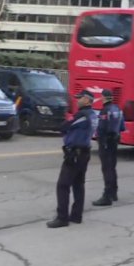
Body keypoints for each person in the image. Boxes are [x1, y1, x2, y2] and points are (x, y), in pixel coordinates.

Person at [47, 90, 97, 228]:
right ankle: (76, 215)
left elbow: (65, 126)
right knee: (78, 185)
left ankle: (62, 218)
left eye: (80, 98)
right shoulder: (93, 115)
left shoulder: (82, 115)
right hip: (84, 152)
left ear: (87, 100)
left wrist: (63, 124)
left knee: (63, 185)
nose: (77, 100)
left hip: (75, 153)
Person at [93, 89, 125, 207]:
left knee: (106, 168)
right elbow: (122, 127)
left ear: (103, 97)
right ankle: (114, 192)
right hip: (114, 141)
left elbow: (101, 127)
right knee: (112, 167)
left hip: (105, 141)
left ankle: (107, 196)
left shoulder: (105, 111)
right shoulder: (118, 109)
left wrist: (99, 138)